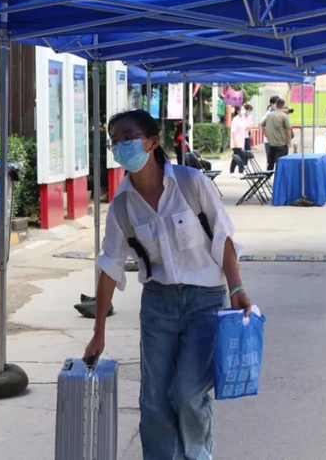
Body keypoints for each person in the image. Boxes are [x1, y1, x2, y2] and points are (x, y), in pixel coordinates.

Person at [85, 109, 253, 459]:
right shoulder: (122, 206)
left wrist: (236, 288)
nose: (120, 146)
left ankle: (197, 454)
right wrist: (99, 330)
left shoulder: (192, 183)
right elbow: (109, 266)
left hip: (205, 301)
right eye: (114, 141)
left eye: (128, 137)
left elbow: (223, 238)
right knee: (155, 401)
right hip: (158, 305)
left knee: (188, 394)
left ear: (151, 141)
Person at [261, 98, 292, 171]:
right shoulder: (284, 116)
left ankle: (268, 177)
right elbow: (288, 130)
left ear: (276, 105)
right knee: (280, 163)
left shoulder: (269, 115)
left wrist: (265, 133)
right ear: (283, 106)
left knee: (271, 162)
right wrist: (289, 141)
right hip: (281, 143)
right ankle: (279, 178)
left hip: (271, 143)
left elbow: (262, 124)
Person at [229, 106, 246, 174]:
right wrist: (236, 142)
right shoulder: (235, 120)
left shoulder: (242, 119)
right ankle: (236, 170)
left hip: (241, 141)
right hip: (236, 141)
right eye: (242, 109)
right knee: (237, 157)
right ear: (238, 111)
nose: (243, 111)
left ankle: (237, 170)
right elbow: (233, 132)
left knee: (238, 156)